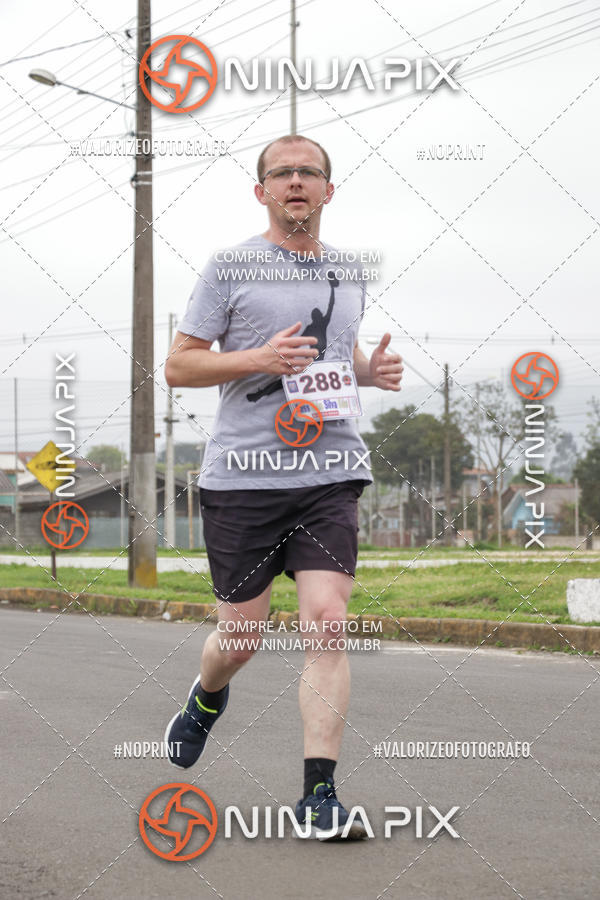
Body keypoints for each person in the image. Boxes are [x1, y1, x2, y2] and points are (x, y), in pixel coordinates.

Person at [163, 134, 403, 840]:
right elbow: (179, 366)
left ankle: (318, 797)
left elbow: (333, 356)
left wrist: (369, 372)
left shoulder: (348, 272)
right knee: (240, 639)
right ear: (261, 190)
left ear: (329, 189)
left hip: (330, 473)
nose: (296, 181)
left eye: (309, 172)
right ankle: (207, 696)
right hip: (244, 479)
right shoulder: (230, 266)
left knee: (327, 621)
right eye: (282, 173)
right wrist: (259, 358)